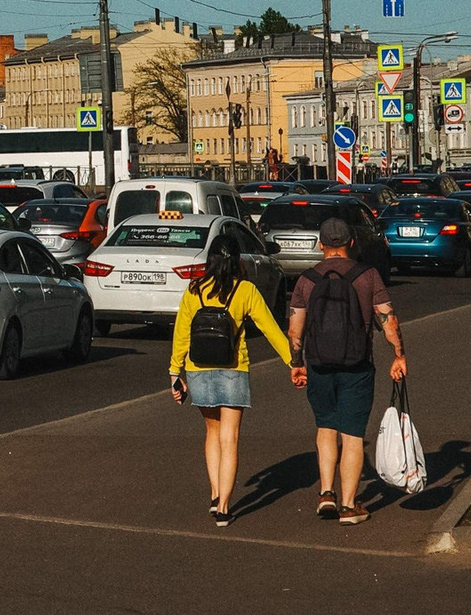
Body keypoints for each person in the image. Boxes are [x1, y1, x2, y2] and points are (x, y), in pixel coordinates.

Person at [167, 231, 295, 527]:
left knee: (212, 432)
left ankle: (214, 494)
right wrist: (293, 361)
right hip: (234, 368)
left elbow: (182, 334)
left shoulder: (194, 290)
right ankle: (224, 505)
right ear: (237, 260)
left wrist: (176, 373)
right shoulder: (245, 290)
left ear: (210, 260)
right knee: (230, 437)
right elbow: (271, 329)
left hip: (198, 369)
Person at [286, 216, 407, 525]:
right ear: (352, 243)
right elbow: (387, 319)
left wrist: (297, 363)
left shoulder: (306, 280)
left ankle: (326, 493)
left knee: (325, 427)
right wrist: (399, 354)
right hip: (357, 365)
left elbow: (295, 329)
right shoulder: (368, 276)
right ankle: (349, 506)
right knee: (352, 435)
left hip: (318, 364)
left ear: (320, 244)